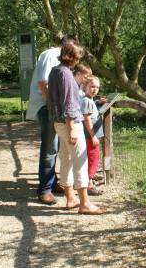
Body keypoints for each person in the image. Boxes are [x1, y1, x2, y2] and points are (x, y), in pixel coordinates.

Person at [47, 41, 105, 215]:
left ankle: (70, 197)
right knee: (80, 159)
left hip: (59, 123)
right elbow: (69, 102)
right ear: (71, 56)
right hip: (69, 123)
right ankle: (84, 203)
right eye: (78, 55)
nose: (79, 58)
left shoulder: (55, 71)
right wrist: (71, 126)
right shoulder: (65, 74)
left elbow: (52, 100)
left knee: (67, 158)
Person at [27, 36, 78, 205]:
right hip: (47, 107)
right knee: (50, 147)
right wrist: (53, 106)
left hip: (51, 107)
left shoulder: (54, 56)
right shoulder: (52, 54)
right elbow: (43, 83)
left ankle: (53, 182)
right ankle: (45, 190)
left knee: (56, 147)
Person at [80, 75, 105, 195]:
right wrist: (93, 135)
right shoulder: (86, 101)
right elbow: (87, 119)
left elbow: (90, 105)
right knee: (93, 158)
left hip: (90, 136)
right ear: (85, 87)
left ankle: (88, 178)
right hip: (90, 136)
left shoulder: (89, 100)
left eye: (97, 87)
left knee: (91, 157)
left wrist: (98, 102)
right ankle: (89, 183)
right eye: (92, 86)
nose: (95, 89)